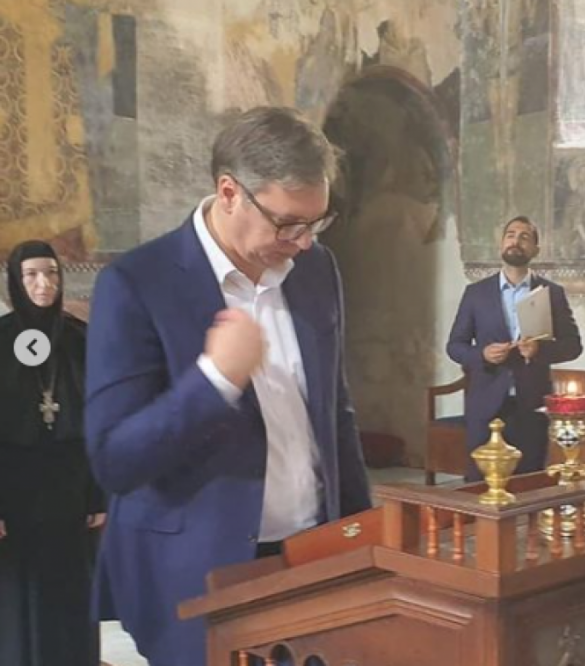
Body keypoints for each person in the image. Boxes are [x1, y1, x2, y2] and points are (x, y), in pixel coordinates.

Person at [85, 107, 372, 666]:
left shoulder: (317, 270)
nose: (302, 242)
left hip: (312, 555)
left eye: (315, 223)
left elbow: (335, 412)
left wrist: (362, 534)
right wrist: (214, 380)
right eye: (287, 223)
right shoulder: (137, 283)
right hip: (199, 573)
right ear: (229, 192)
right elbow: (114, 460)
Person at [0, 240, 106, 666]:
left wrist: (98, 493)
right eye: (32, 275)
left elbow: (98, 418)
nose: (43, 284)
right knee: (19, 593)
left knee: (72, 588)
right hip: (14, 487)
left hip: (70, 487)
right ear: (15, 281)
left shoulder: (78, 337)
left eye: (51, 273)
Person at [447, 216, 582, 480]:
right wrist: (482, 354)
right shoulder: (476, 293)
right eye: (510, 235)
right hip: (485, 403)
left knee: (529, 481)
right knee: (480, 483)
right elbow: (455, 346)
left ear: (535, 250)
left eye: (524, 237)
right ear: (501, 244)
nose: (516, 241)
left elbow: (573, 346)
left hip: (531, 404)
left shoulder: (551, 293)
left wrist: (539, 351)